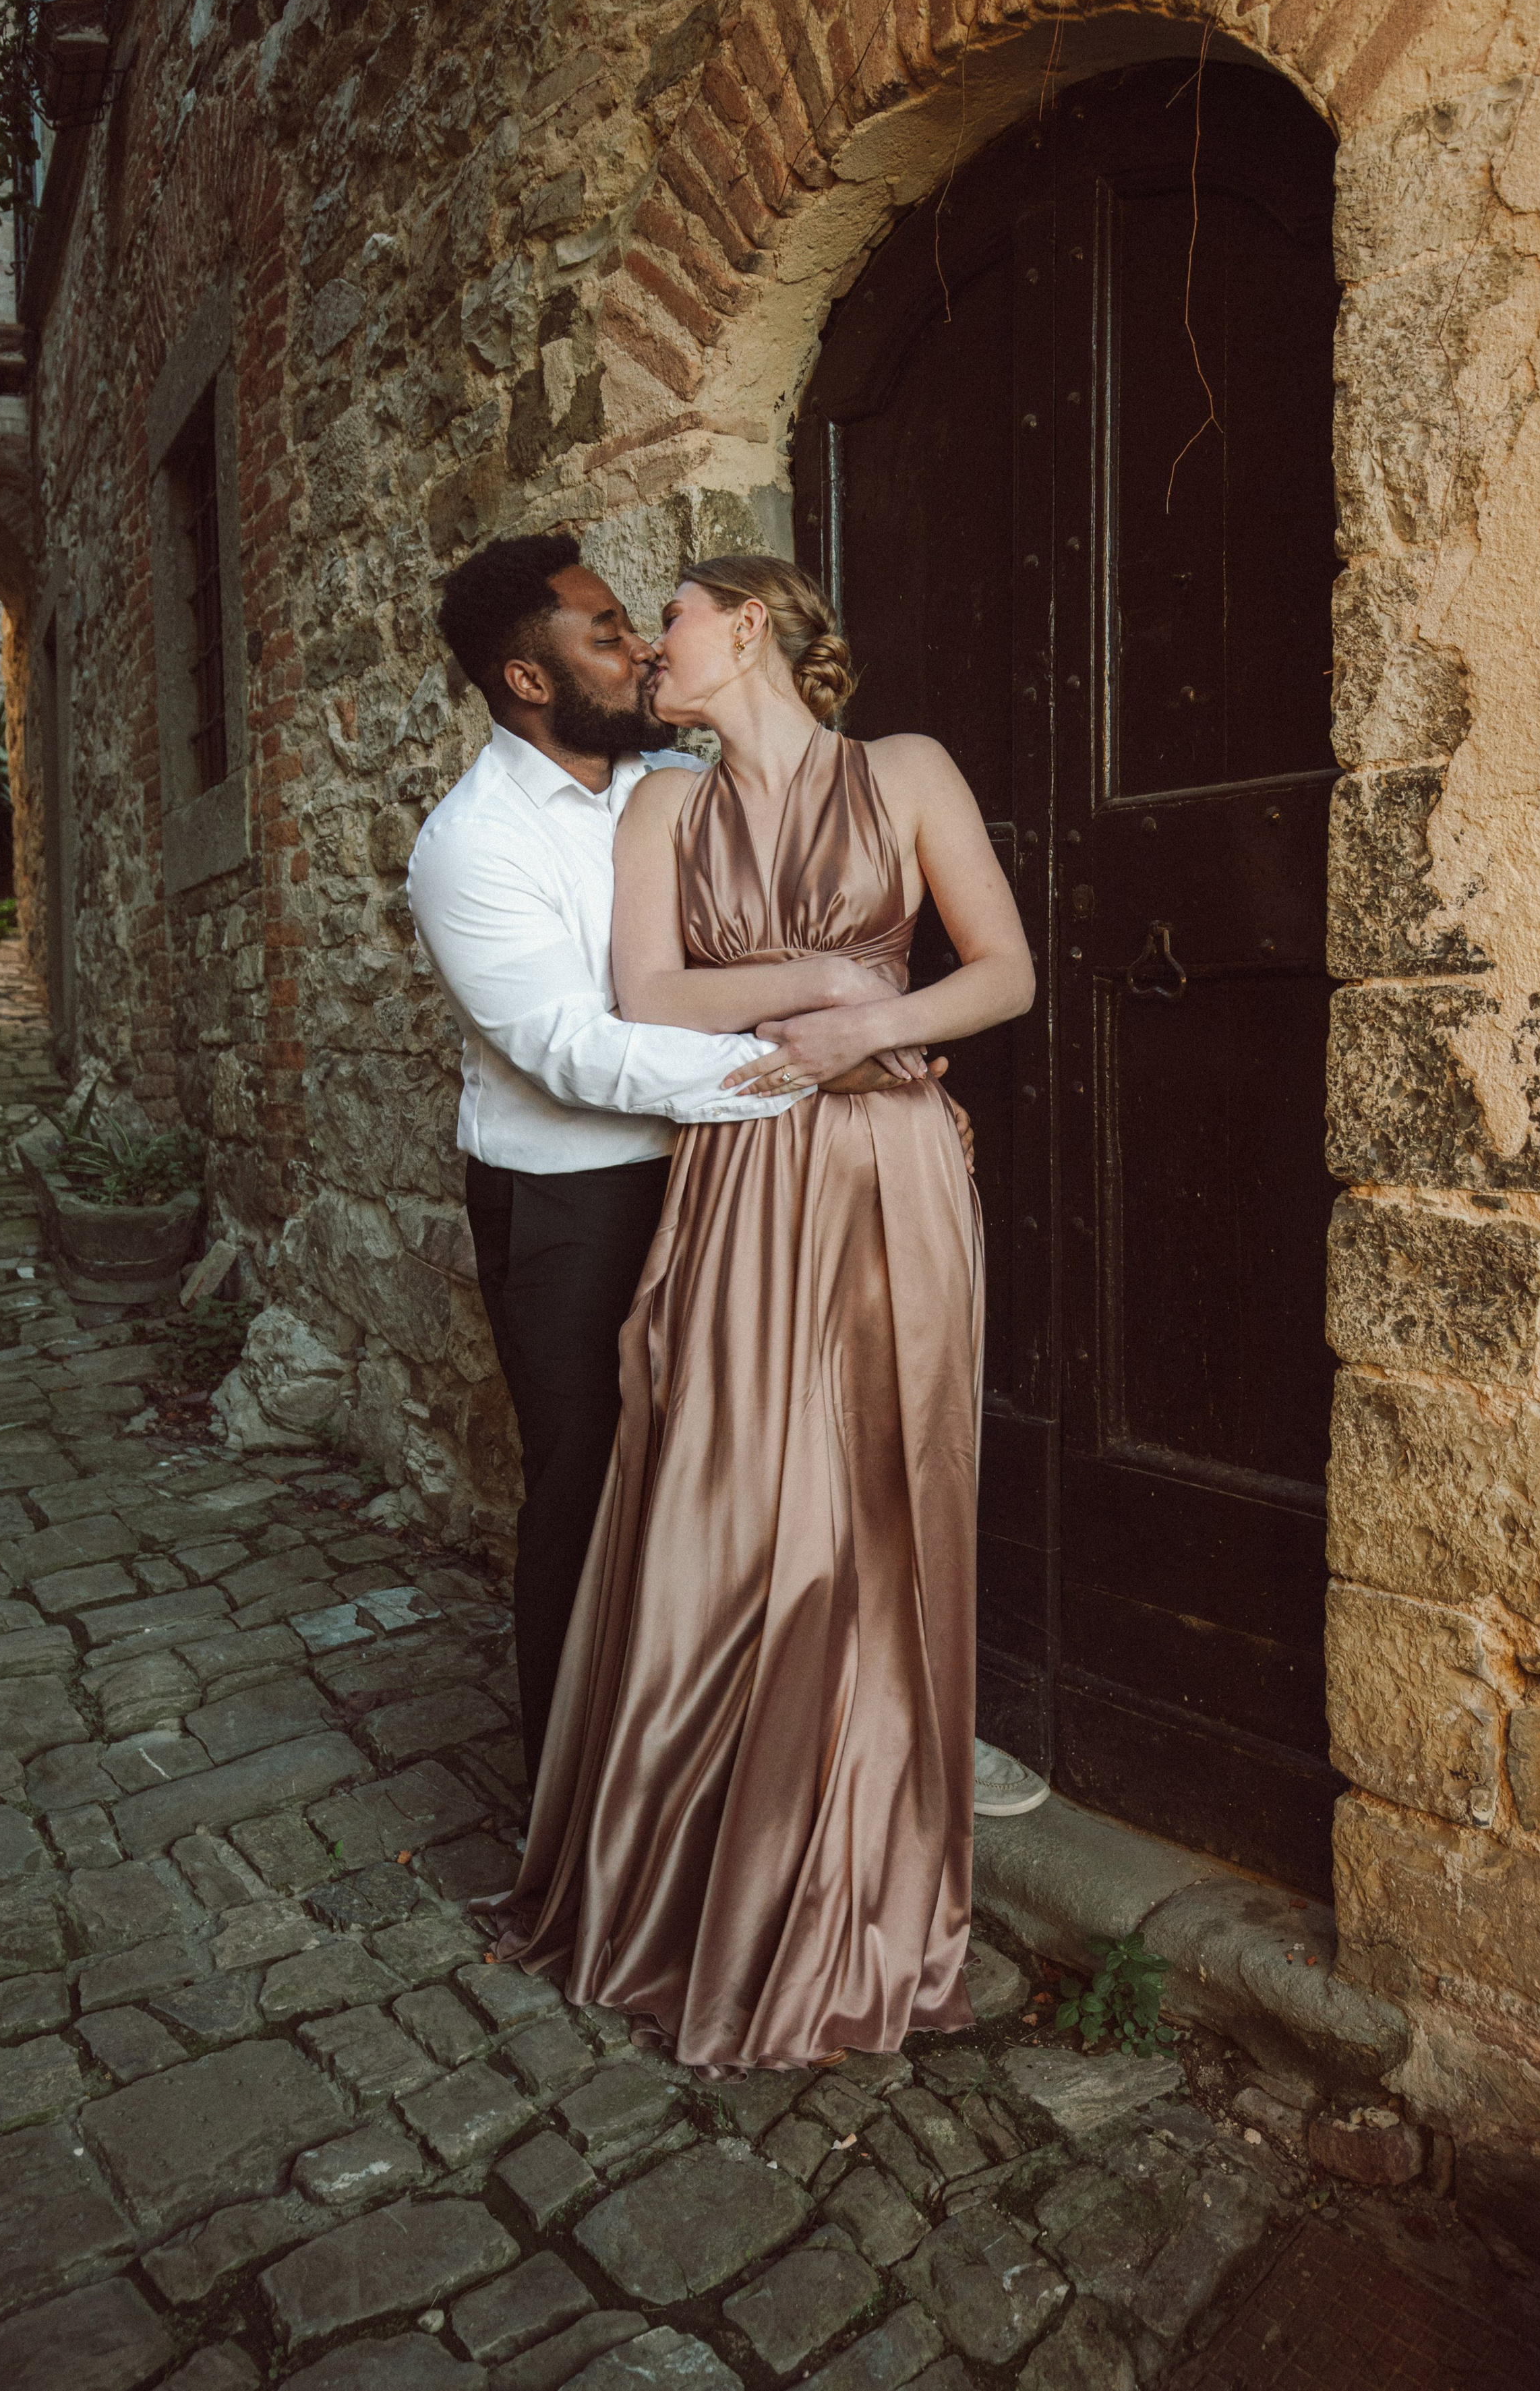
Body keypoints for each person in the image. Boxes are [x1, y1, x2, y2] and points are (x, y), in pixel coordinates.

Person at [494, 553, 1036, 2075]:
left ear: (744, 624)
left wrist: (877, 1021)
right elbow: (646, 995)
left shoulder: (908, 770)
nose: (644, 645)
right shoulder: (666, 801)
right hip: (739, 1163)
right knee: (729, 1497)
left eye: (664, 616)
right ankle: (718, 1868)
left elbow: (1002, 972)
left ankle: (867, 1869)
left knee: (880, 1493)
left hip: (892, 1162)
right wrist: (813, 982)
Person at [407, 535, 964, 1784]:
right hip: (574, 1196)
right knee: (592, 1483)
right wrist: (823, 1064)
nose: (643, 646)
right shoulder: (471, 845)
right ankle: (573, 1794)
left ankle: (762, 1756)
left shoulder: (673, 778)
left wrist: (868, 1054)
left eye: (642, 622)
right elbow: (574, 1050)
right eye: (607, 635)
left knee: (730, 1478)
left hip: (736, 1176)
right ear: (529, 680)